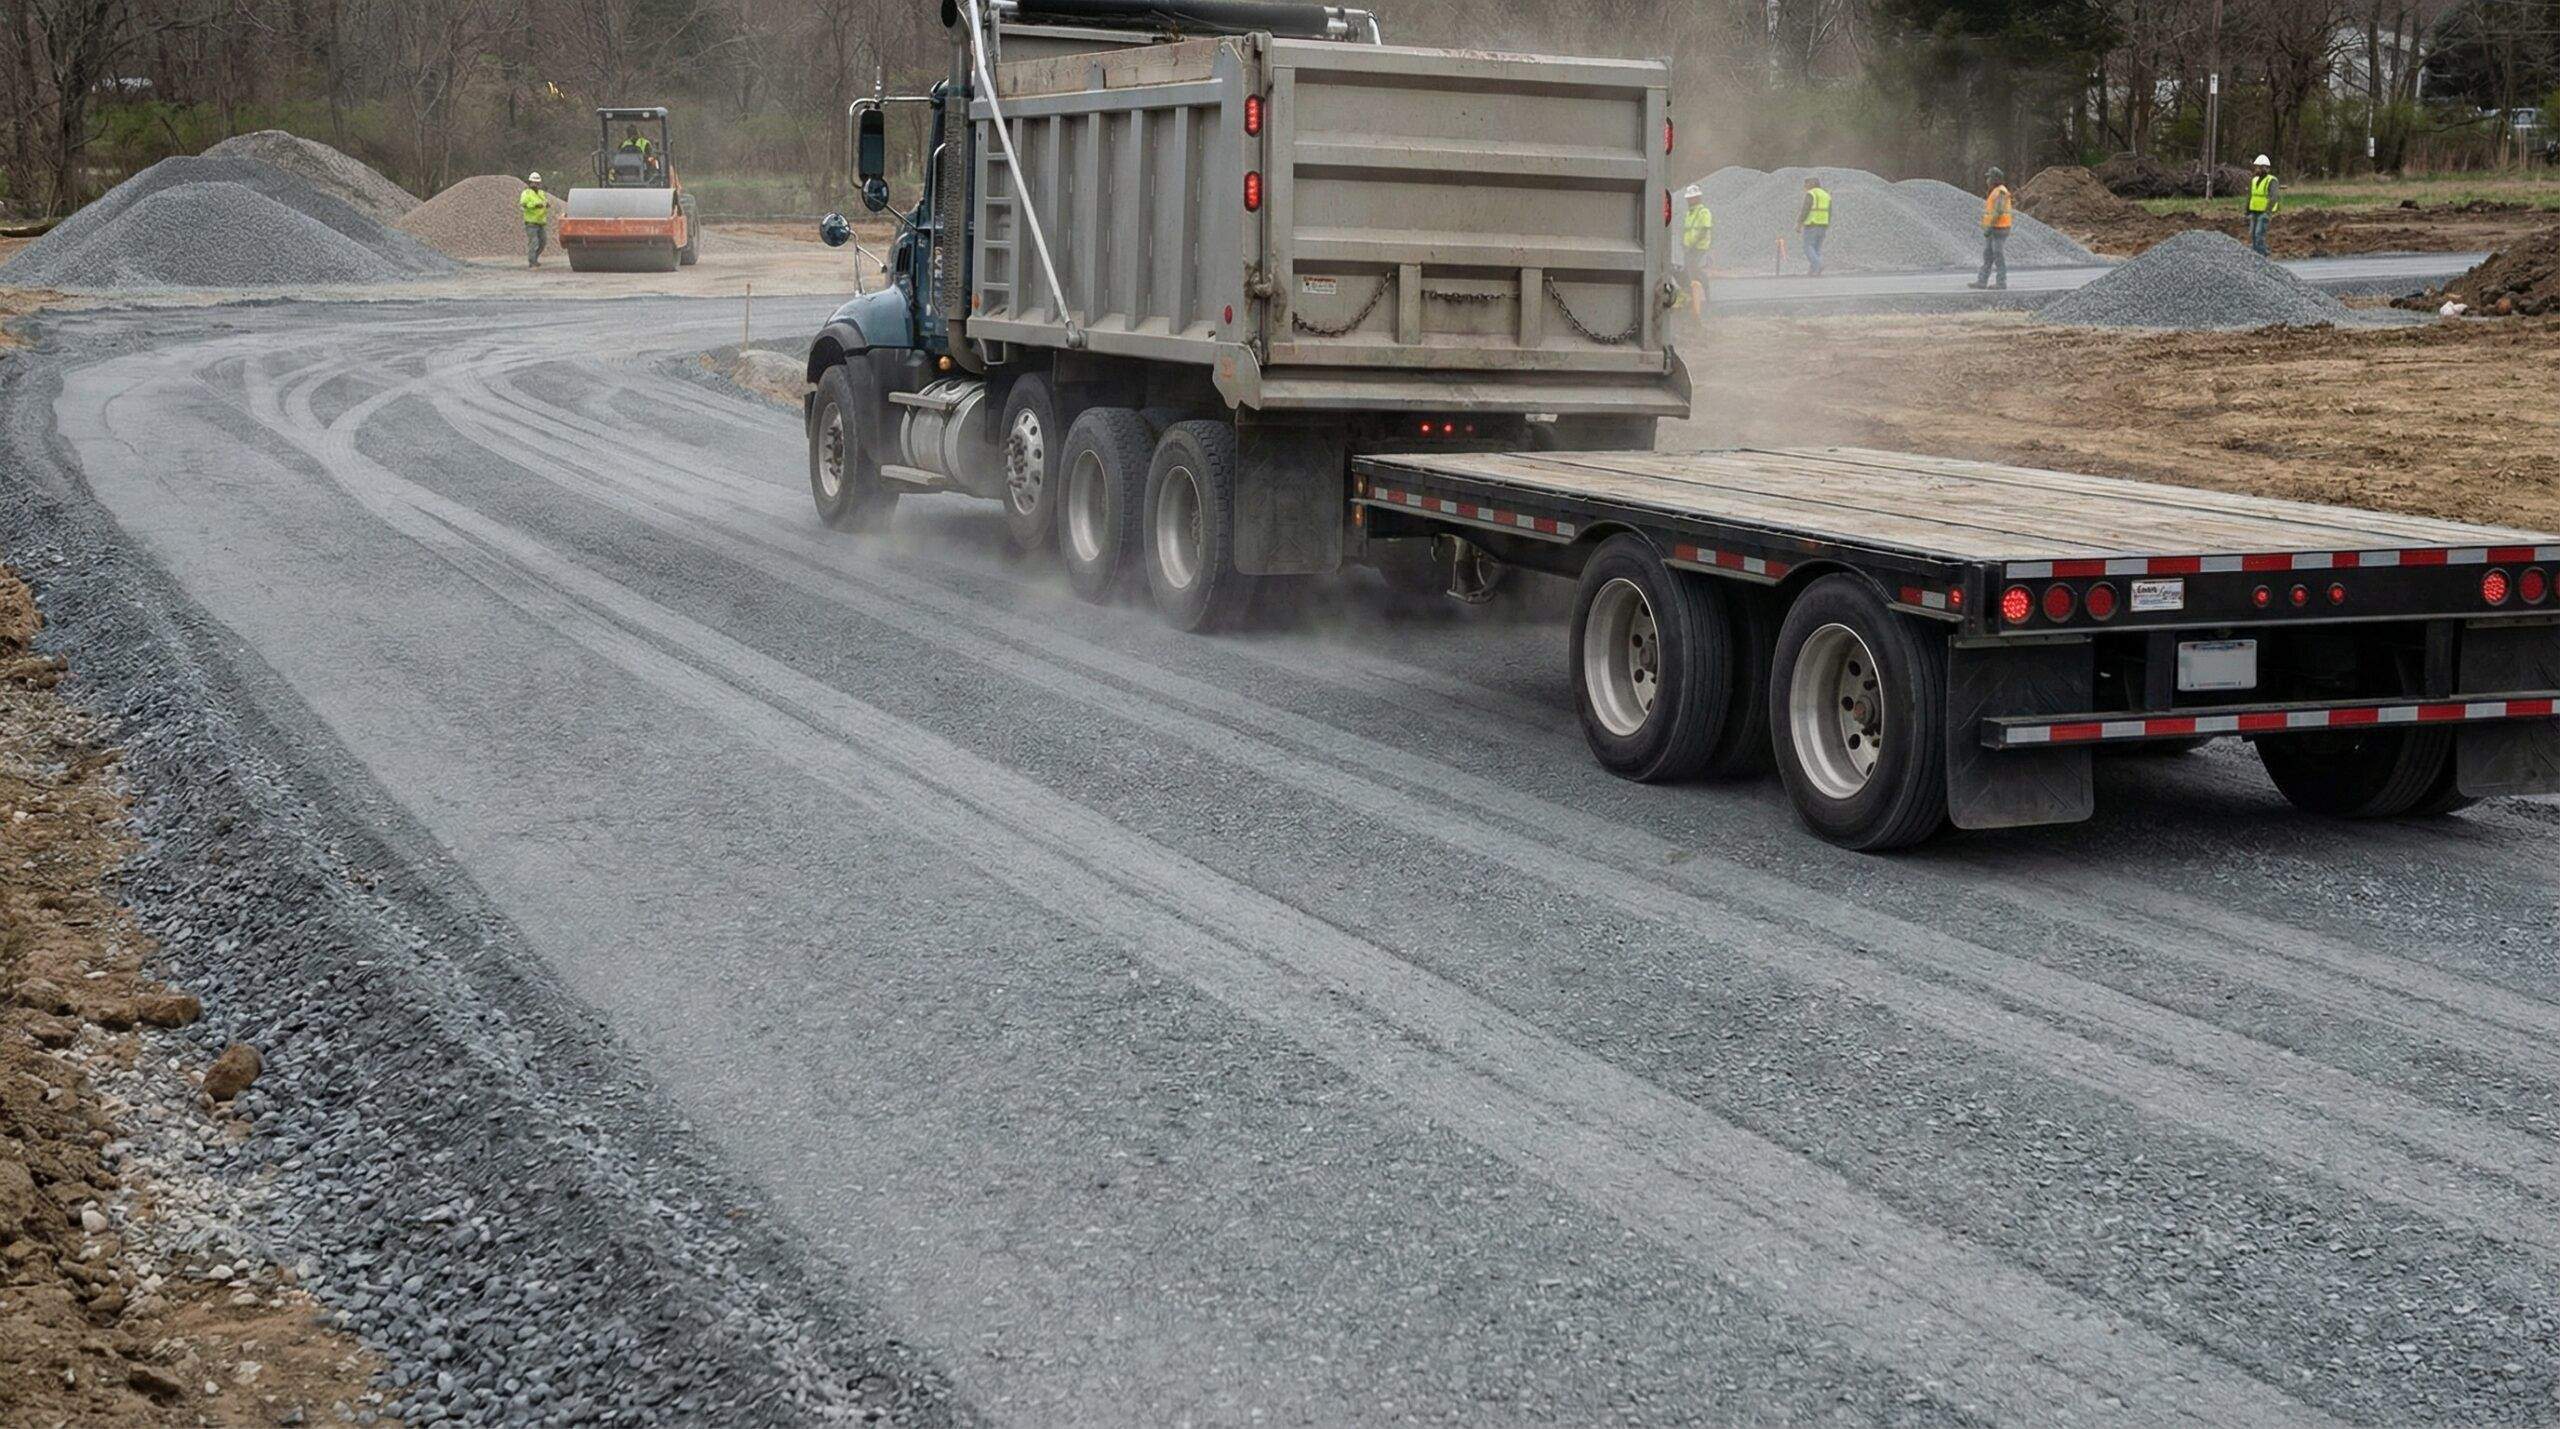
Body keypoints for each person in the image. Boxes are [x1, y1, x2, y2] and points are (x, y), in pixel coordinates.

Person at [1968, 166, 2012, 290]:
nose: (1987, 180)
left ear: (1995, 179)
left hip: (1999, 228)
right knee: (1988, 256)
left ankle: (2001, 282)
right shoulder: (1994, 191)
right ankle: (1982, 281)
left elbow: (1998, 211)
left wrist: (1990, 226)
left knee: (1998, 255)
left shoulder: (2001, 191)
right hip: (1993, 228)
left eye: (1989, 177)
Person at [1678, 184, 1713, 320]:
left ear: (1697, 198)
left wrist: (1692, 244)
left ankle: (1705, 295)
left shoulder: (1703, 212)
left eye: (1692, 198)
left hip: (1699, 247)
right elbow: (1687, 230)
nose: (1689, 201)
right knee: (1689, 270)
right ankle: (1692, 297)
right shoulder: (1689, 213)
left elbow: (1703, 230)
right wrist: (1684, 243)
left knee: (1693, 269)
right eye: (1688, 198)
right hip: (1689, 247)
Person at [2246, 154, 2280, 256]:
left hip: (2264, 213)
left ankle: (2262, 255)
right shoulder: (2254, 180)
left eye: (2260, 167)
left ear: (2266, 168)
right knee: (2252, 234)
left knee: (2259, 234)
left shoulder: (2272, 180)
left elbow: (2273, 197)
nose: (2258, 169)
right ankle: (2257, 254)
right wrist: (2247, 210)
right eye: (2257, 167)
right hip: (2254, 211)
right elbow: (2250, 196)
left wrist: (2267, 212)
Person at [1798, 175, 1831, 276]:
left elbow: (1805, 209)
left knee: (1807, 246)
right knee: (1816, 248)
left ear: (1811, 184)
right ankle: (1813, 270)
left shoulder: (1811, 194)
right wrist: (1827, 223)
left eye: (1806, 184)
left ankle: (1818, 264)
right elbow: (1830, 212)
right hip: (1823, 224)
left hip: (1812, 224)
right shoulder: (1826, 195)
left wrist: (1799, 222)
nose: (1804, 187)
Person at [520, 172, 550, 267]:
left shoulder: (541, 193)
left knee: (543, 242)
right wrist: (534, 205)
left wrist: (546, 204)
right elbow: (523, 204)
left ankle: (535, 258)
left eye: (537, 183)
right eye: (534, 182)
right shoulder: (526, 193)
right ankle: (532, 262)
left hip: (541, 222)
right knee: (534, 242)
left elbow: (544, 202)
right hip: (531, 223)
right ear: (530, 183)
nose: (536, 184)